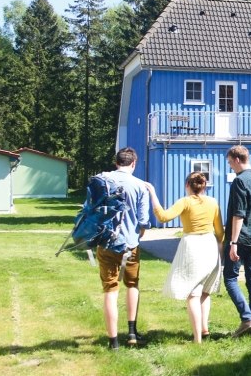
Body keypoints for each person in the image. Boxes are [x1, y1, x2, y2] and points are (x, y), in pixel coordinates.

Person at [148, 171, 224, 343]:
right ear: (204, 186)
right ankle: (204, 329)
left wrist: (152, 193)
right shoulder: (213, 202)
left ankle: (197, 338)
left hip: (192, 246)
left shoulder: (185, 202)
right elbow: (220, 231)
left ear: (187, 185)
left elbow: (163, 217)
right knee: (205, 292)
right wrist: (220, 246)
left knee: (193, 294)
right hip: (210, 244)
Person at [96, 147, 152, 350]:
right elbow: (144, 220)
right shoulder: (139, 186)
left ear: (116, 162)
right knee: (132, 285)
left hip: (106, 242)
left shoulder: (101, 180)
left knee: (110, 289)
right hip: (130, 244)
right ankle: (131, 332)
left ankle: (113, 342)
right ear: (133, 163)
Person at [223, 145, 251, 338]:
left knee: (231, 279)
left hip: (240, 239)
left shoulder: (239, 182)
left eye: (230, 162)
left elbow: (238, 214)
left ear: (237, 159)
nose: (231, 166)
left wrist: (233, 242)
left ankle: (246, 317)